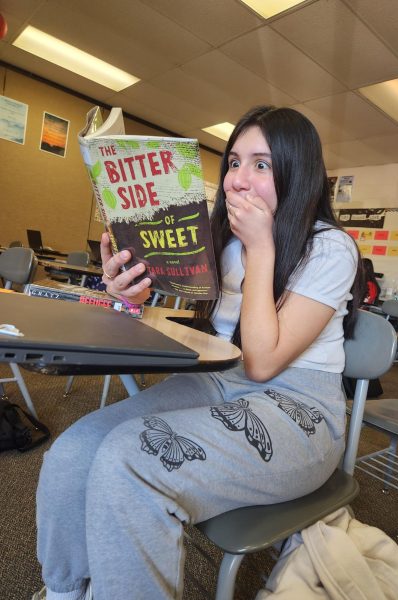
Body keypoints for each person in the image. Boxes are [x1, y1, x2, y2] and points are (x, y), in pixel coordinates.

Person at [33, 106, 363, 600]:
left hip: (299, 405)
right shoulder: (220, 239)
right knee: (74, 450)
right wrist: (130, 296)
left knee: (129, 462)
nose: (236, 180)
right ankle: (64, 592)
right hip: (218, 379)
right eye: (232, 163)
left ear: (298, 173)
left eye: (261, 164)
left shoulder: (331, 248)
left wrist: (262, 250)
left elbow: (263, 362)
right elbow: (185, 324)